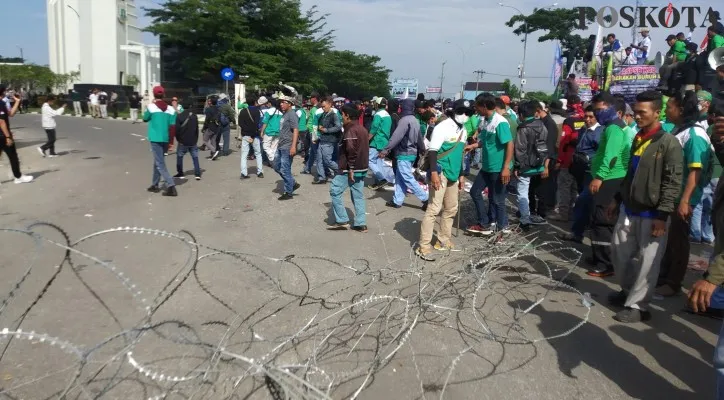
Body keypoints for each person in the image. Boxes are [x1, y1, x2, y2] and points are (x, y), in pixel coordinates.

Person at [608, 90, 683, 323]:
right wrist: (618, 199)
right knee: (619, 253)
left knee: (648, 262)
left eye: (642, 112)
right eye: (636, 112)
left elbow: (673, 182)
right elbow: (631, 175)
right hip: (629, 209)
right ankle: (628, 291)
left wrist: (662, 215)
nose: (637, 116)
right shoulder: (639, 137)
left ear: (656, 112)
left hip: (653, 214)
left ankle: (638, 306)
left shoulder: (668, 143)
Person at [657, 91, 713, 297]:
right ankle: (663, 276)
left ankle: (673, 283)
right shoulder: (679, 130)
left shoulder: (695, 135)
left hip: (682, 198)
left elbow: (695, 171)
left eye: (669, 106)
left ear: (681, 109)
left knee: (678, 241)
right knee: (668, 240)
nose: (665, 110)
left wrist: (685, 200)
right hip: (671, 196)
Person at [416, 99, 470, 260]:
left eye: (468, 113)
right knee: (434, 208)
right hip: (440, 172)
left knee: (451, 208)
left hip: (454, 173)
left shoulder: (463, 129)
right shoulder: (442, 127)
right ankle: (423, 246)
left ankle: (443, 240)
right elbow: (433, 151)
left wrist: (462, 175)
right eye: (461, 112)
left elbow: (461, 154)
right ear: (453, 111)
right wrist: (433, 173)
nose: (464, 115)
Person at [587, 92, 630, 277]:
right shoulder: (613, 126)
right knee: (601, 219)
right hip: (610, 177)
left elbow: (611, 156)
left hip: (610, 178)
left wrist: (599, 177)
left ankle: (605, 264)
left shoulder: (613, 128)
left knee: (602, 220)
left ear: (612, 108)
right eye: (595, 110)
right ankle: (600, 257)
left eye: (600, 110)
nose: (597, 114)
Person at [464, 94, 514, 235]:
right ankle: (484, 223)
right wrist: (473, 146)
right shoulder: (485, 120)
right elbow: (485, 141)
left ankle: (502, 229)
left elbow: (509, 145)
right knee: (475, 192)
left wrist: (506, 167)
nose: (476, 109)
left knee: (498, 200)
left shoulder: (500, 122)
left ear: (484, 106)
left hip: (498, 168)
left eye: (477, 107)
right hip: (486, 167)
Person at [379, 98, 429, 209]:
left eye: (401, 106)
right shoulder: (414, 120)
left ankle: (426, 199)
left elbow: (396, 137)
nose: (399, 108)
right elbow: (419, 137)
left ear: (404, 107)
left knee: (407, 178)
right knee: (400, 177)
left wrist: (385, 150)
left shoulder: (404, 120)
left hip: (404, 153)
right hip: (412, 153)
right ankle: (397, 200)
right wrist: (422, 148)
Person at [327, 104, 369, 232]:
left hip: (350, 169)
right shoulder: (361, 129)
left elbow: (351, 150)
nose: (341, 118)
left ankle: (342, 220)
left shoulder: (351, 130)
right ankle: (360, 223)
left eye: (342, 115)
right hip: (361, 168)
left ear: (348, 116)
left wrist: (351, 168)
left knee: (335, 190)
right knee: (357, 195)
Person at [514, 100, 550, 230]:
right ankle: (534, 215)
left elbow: (520, 149)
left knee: (522, 192)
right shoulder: (542, 125)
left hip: (526, 166)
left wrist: (518, 166)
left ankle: (525, 220)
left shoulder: (523, 128)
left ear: (522, 114)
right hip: (540, 163)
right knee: (535, 191)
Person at [143, 86, 177, 197]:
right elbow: (172, 127)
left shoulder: (151, 107)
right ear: (163, 95)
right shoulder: (171, 109)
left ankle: (171, 185)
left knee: (160, 163)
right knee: (157, 161)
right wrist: (171, 142)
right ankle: (155, 184)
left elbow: (145, 118)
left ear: (154, 94)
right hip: (166, 138)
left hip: (155, 138)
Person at [0, 85, 33, 184]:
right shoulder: (0, 103)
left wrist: (17, 102)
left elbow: (11, 114)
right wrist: (8, 137)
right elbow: (1, 122)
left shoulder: (2, 103)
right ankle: (18, 177)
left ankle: (18, 176)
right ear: (3, 92)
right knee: (13, 156)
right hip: (2, 135)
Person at [274, 95, 300, 200]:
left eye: (283, 102)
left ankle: (288, 192)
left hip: (287, 146)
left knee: (285, 169)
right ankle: (292, 183)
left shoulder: (292, 114)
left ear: (290, 104)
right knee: (276, 166)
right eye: (280, 102)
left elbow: (296, 130)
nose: (281, 104)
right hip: (281, 145)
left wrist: (293, 146)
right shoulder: (285, 114)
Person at [314, 96, 342, 184]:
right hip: (322, 139)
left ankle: (341, 171)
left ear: (330, 105)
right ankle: (322, 177)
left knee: (327, 160)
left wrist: (326, 130)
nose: (322, 108)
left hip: (329, 141)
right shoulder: (323, 114)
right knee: (319, 159)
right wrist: (319, 132)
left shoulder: (334, 115)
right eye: (322, 106)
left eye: (324, 106)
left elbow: (338, 127)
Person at [368, 97, 395, 189]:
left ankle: (382, 179)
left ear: (377, 105)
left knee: (369, 160)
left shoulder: (378, 114)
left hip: (377, 141)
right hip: (384, 141)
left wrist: (367, 139)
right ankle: (379, 183)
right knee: (379, 162)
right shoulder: (387, 115)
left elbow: (374, 129)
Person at [174, 98, 201, 181]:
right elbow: (196, 129)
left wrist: (178, 139)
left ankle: (180, 172)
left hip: (182, 140)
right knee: (195, 157)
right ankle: (197, 173)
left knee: (180, 156)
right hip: (192, 140)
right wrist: (196, 138)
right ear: (190, 106)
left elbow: (177, 130)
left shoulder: (179, 116)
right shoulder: (194, 116)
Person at [239, 94, 264, 179]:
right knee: (258, 153)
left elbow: (240, 123)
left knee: (244, 154)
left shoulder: (242, 111)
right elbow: (257, 124)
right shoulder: (256, 111)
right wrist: (253, 134)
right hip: (255, 136)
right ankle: (260, 172)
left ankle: (244, 173)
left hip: (245, 135)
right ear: (254, 102)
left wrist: (246, 131)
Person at [302, 93, 320, 175]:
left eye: (311, 98)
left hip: (313, 132)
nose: (309, 100)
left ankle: (324, 172)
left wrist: (314, 134)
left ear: (314, 98)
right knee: (313, 152)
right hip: (311, 131)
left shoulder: (315, 109)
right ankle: (307, 168)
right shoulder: (314, 108)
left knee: (316, 153)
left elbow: (316, 121)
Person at [261, 97, 282, 164]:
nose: (267, 104)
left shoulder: (269, 111)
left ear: (270, 103)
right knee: (274, 147)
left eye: (267, 103)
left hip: (269, 131)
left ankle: (272, 158)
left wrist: (262, 131)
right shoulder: (280, 113)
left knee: (265, 146)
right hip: (278, 132)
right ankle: (273, 162)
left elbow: (265, 122)